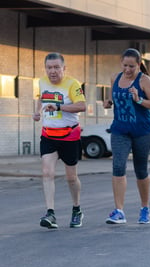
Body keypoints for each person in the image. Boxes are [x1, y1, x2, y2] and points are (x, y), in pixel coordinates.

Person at [103, 48, 150, 224]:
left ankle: (145, 208)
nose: (128, 69)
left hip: (142, 131)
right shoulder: (115, 78)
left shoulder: (144, 80)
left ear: (139, 65)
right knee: (118, 166)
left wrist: (139, 100)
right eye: (125, 65)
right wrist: (109, 102)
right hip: (120, 129)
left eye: (132, 66)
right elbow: (113, 99)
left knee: (140, 170)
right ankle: (119, 211)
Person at [32, 52, 87, 229]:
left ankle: (77, 209)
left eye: (56, 67)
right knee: (47, 173)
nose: (53, 71)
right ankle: (50, 213)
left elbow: (82, 105)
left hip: (69, 135)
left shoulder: (72, 84)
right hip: (48, 135)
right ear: (45, 68)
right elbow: (40, 97)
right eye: (49, 67)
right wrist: (37, 112)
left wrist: (59, 106)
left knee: (71, 178)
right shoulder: (41, 81)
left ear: (64, 68)